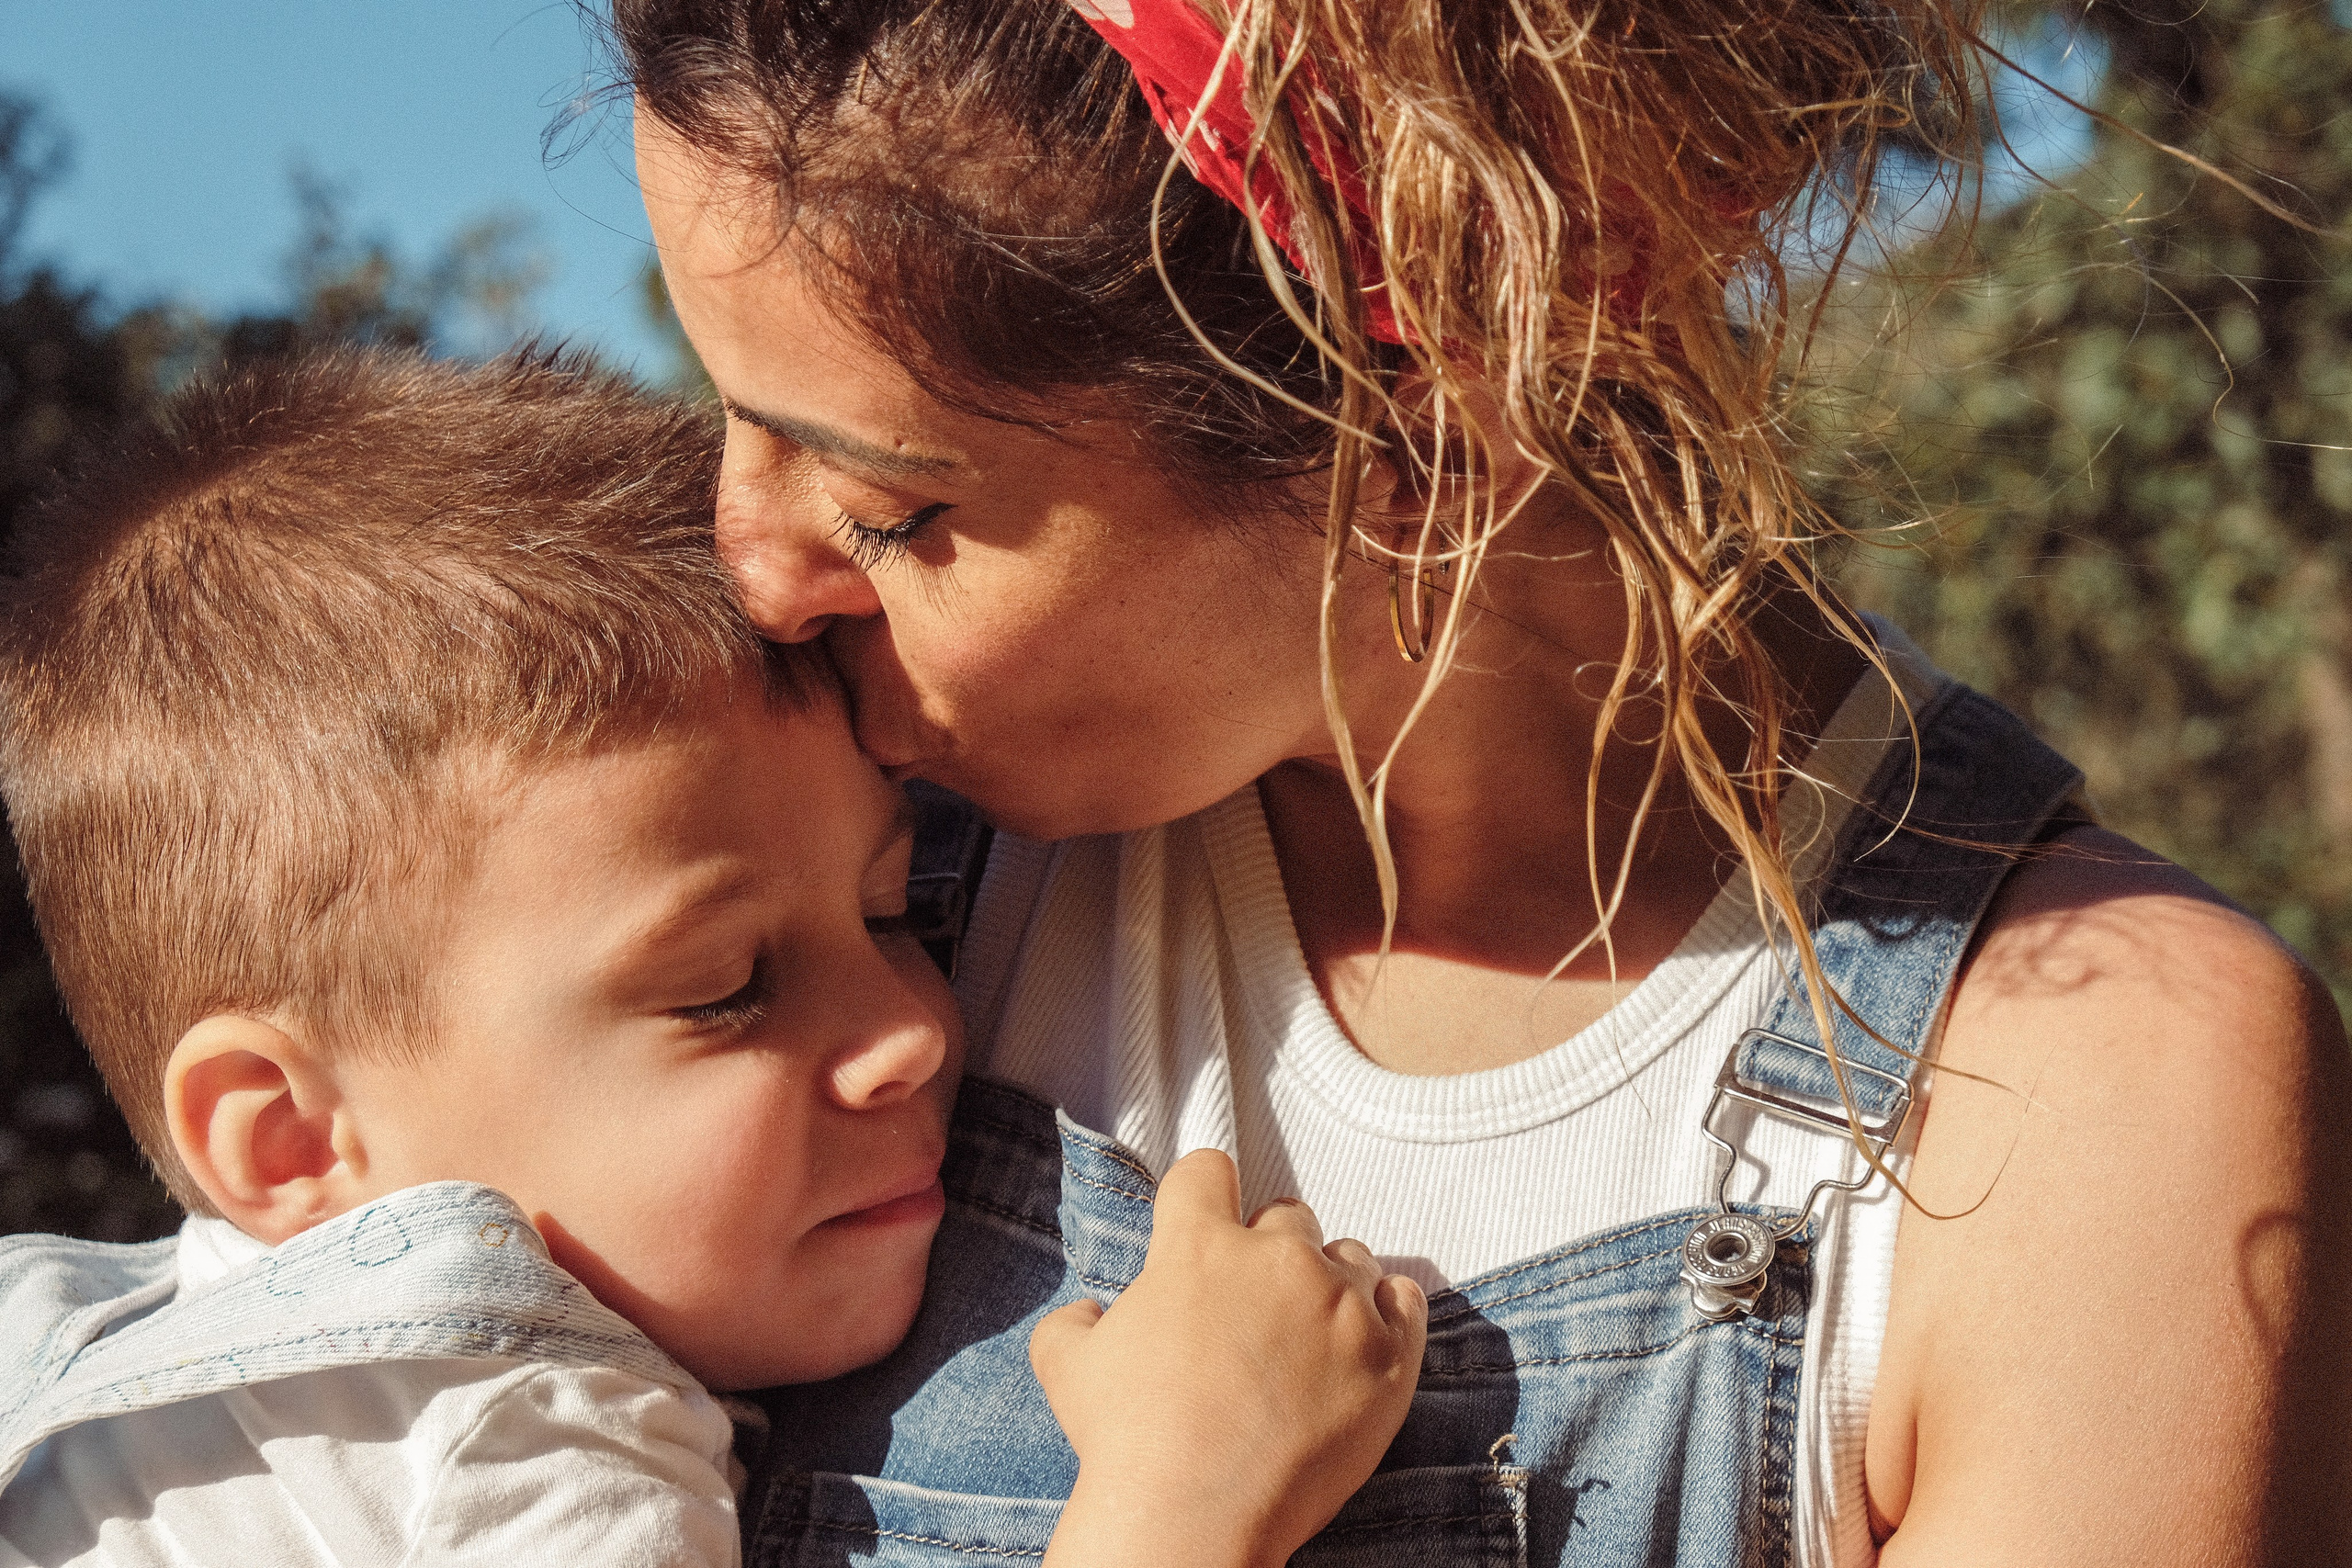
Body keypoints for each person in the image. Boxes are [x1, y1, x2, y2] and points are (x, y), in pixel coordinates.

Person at [618, 0, 2352, 1563]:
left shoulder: (2079, 1115)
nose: (753, 574)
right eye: (729, 408)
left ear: (1426, 435)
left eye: (889, 514)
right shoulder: (754, 885)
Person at [0, 347, 1428, 1568]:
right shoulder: (532, 1449)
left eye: (896, 912)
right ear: (294, 1135)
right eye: (723, 989)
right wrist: (1178, 1504)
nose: (913, 1029)